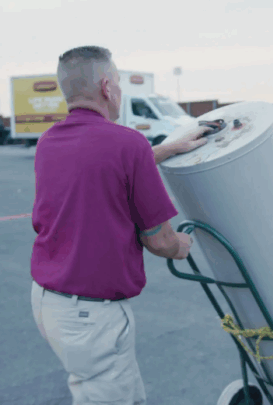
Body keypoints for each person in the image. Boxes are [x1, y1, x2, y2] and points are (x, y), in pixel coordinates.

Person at [30, 45, 212, 405]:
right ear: (107, 87)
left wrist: (167, 149)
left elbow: (101, 166)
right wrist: (181, 245)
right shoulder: (127, 144)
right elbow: (159, 241)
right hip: (91, 316)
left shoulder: (50, 142)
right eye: (117, 81)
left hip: (49, 302)